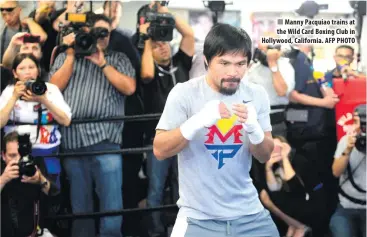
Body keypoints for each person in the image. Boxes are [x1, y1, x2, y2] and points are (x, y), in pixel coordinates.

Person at [153, 23, 278, 237]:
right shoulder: (184, 93)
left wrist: (254, 130)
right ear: (206, 61)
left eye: (240, 64)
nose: (233, 72)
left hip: (249, 215)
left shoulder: (256, 95)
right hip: (198, 217)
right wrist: (197, 121)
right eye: (224, 63)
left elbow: (264, 155)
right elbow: (160, 150)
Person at [49, 14, 136, 237]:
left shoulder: (119, 59)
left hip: (105, 141)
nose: (99, 38)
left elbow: (129, 88)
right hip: (73, 142)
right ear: (84, 32)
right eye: (94, 32)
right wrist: (70, 53)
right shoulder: (64, 58)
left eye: (104, 33)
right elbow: (53, 89)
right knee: (81, 210)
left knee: (111, 208)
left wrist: (103, 63)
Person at [254, 136, 326, 237]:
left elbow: (297, 190)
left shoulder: (299, 161)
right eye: (272, 149)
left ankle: (298, 226)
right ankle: (295, 225)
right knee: (267, 197)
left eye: (278, 148)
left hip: (312, 205)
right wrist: (268, 168)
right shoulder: (276, 167)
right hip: (294, 207)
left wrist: (284, 158)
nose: (276, 151)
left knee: (276, 200)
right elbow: (274, 190)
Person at [0, 130, 60, 237]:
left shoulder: (35, 165)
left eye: (21, 155)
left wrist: (41, 179)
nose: (18, 160)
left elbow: (56, 195)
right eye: (12, 156)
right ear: (3, 156)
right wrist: (3, 179)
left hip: (35, 232)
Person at [329, 105, 366, 237]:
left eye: (364, 122)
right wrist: (348, 150)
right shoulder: (346, 141)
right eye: (356, 122)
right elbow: (336, 172)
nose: (360, 126)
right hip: (346, 206)